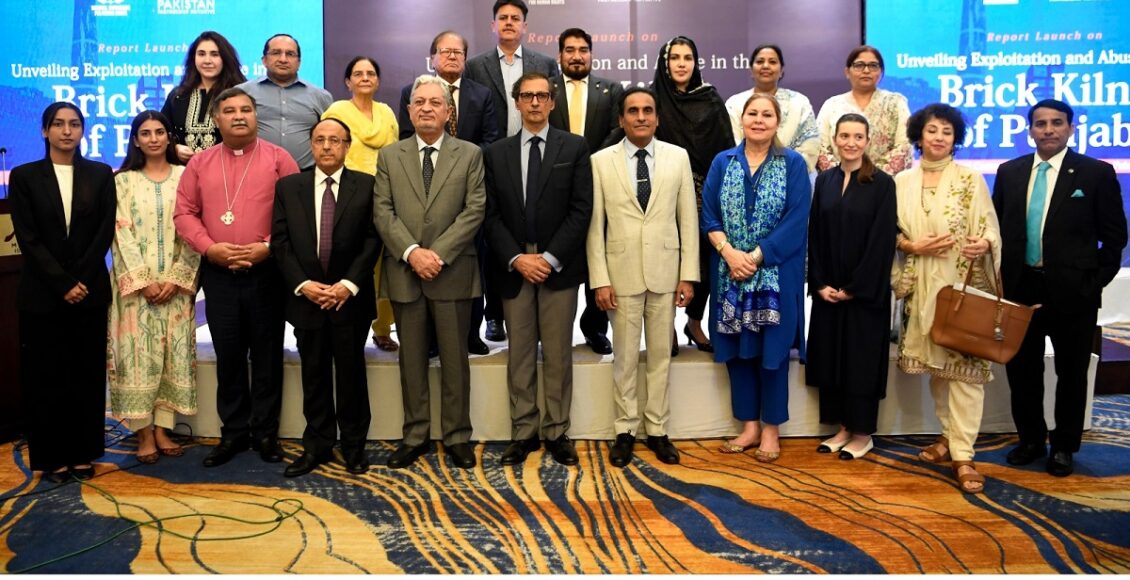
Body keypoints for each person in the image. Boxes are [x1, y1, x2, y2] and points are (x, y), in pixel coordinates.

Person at [994, 99, 1127, 477]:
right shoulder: (1010, 172)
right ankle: (1031, 440)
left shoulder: (1096, 173)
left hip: (1074, 293)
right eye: (1041, 124)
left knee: (1072, 373)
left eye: (1056, 123)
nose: (1048, 129)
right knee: (1023, 372)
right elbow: (999, 229)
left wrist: (1093, 282)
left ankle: (1065, 446)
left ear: (1070, 128)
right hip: (1021, 289)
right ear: (1030, 130)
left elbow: (1115, 237)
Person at [174, 87, 300, 467]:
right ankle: (232, 433)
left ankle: (265, 435)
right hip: (219, 274)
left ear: (256, 115)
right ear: (217, 119)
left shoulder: (279, 159)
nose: (239, 116)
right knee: (228, 357)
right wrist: (209, 247)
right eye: (230, 111)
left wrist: (267, 247)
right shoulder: (200, 163)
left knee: (267, 357)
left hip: (266, 273)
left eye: (246, 109)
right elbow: (184, 213)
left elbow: (296, 213)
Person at [373, 76, 486, 470]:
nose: (426, 108)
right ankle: (415, 434)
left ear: (448, 111)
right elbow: (382, 211)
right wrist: (412, 253)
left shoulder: (470, 154)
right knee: (412, 362)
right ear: (408, 110)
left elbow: (474, 209)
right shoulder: (390, 156)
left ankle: (457, 436)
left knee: (455, 362)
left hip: (451, 271)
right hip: (405, 273)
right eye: (419, 102)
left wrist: (435, 255)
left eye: (435, 102)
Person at [483, 72, 592, 466]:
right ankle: (524, 431)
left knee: (559, 352)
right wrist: (517, 258)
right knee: (520, 353)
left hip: (557, 266)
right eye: (527, 95)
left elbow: (582, 209)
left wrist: (549, 258)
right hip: (514, 265)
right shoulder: (495, 153)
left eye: (541, 96)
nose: (534, 102)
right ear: (516, 102)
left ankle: (557, 431)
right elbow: (489, 214)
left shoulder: (574, 147)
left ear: (552, 102)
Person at [587, 87, 699, 468]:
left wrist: (688, 276)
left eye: (647, 110)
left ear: (657, 118)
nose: (640, 117)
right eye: (632, 111)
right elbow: (595, 227)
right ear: (621, 119)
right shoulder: (601, 162)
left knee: (661, 358)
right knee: (624, 358)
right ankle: (625, 430)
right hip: (620, 277)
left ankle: (658, 430)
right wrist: (600, 279)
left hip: (666, 273)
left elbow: (688, 220)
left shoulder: (677, 157)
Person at [892, 103, 1000, 494]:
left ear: (956, 139)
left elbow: (990, 228)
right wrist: (911, 245)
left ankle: (964, 455)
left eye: (947, 132)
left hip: (961, 288)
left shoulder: (971, 179)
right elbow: (891, 233)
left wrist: (983, 244)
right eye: (932, 130)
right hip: (921, 287)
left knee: (965, 375)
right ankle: (948, 436)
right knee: (938, 371)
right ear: (919, 136)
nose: (939, 137)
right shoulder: (902, 181)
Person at [9, 102, 116, 483]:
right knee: (45, 379)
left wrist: (78, 280)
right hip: (42, 295)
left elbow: (104, 231)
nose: (66, 131)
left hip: (89, 292)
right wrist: (62, 282)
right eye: (58, 124)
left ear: (83, 131)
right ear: (45, 131)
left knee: (86, 376)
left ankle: (83, 453)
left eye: (74, 124)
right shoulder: (24, 176)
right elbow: (28, 238)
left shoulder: (101, 174)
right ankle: (52, 458)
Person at [702, 93, 811, 463]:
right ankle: (748, 426)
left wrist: (755, 256)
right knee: (737, 353)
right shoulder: (723, 162)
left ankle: (771, 430)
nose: (759, 120)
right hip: (729, 273)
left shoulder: (793, 163)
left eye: (767, 115)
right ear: (742, 119)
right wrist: (730, 253)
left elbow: (797, 219)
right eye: (753, 113)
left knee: (772, 353)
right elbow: (709, 215)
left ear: (777, 122)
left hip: (776, 275)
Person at [271, 118, 381, 477]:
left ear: (347, 146)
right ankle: (317, 445)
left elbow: (373, 239)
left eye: (335, 140)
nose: (327, 146)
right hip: (307, 299)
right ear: (311, 144)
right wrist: (303, 285)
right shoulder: (289, 187)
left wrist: (348, 284)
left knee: (351, 376)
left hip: (350, 299)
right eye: (320, 140)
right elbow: (281, 243)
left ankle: (353, 447)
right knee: (314, 376)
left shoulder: (367, 186)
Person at [398, 31, 501, 355]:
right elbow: (406, 138)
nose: (452, 56)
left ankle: (471, 333)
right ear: (432, 58)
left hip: (468, 188)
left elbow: (491, 139)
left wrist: (459, 165)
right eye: (445, 51)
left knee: (471, 264)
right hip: (425, 191)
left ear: (465, 59)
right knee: (427, 263)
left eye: (458, 52)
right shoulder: (412, 92)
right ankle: (431, 338)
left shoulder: (481, 94)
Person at [108, 111, 200, 464]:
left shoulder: (186, 176)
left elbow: (194, 228)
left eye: (160, 132)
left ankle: (163, 428)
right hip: (135, 289)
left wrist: (177, 278)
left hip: (176, 285)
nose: (153, 139)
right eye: (145, 133)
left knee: (171, 357)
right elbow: (120, 232)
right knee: (137, 357)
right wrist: (144, 281)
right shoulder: (122, 181)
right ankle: (143, 433)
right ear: (135, 140)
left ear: (169, 137)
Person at [805, 113, 897, 460]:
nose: (851, 143)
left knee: (860, 363)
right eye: (844, 136)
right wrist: (819, 283)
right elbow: (815, 234)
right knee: (833, 360)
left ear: (868, 141)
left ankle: (862, 433)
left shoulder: (882, 184)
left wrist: (855, 287)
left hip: (864, 295)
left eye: (858, 136)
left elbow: (882, 241)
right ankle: (842, 428)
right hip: (828, 292)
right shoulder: (825, 180)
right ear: (835, 139)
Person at [653, 36, 734, 356]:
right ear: (665, 63)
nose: (681, 63)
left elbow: (726, 149)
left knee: (705, 263)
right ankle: (668, 326)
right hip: (664, 193)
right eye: (675, 57)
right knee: (667, 261)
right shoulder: (653, 99)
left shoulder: (710, 99)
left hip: (705, 192)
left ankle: (695, 322)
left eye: (688, 57)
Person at [547, 27, 623, 355]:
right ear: (559, 55)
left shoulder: (611, 89)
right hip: (554, 185)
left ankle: (595, 328)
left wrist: (587, 161)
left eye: (583, 50)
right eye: (570, 50)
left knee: (598, 257)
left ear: (591, 54)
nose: (577, 56)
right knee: (559, 255)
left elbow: (617, 130)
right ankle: (554, 330)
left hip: (598, 181)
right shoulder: (545, 89)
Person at [322, 57, 400, 353]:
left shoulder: (386, 112)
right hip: (348, 199)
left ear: (378, 81)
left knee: (385, 266)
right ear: (348, 81)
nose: (365, 77)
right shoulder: (336, 111)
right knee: (350, 263)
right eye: (358, 73)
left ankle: (382, 329)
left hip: (386, 198)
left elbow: (396, 152)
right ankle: (343, 325)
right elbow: (329, 151)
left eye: (370, 73)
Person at [465, 0, 560, 139]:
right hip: (491, 147)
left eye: (515, 18)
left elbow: (554, 112)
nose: (509, 22)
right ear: (493, 25)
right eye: (503, 18)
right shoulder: (474, 66)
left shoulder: (546, 64)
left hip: (537, 145)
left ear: (524, 27)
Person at [236, 34, 333, 170]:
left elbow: (333, 136)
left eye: (290, 54)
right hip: (255, 172)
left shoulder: (320, 96)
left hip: (305, 175)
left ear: (299, 62)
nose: (283, 59)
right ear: (264, 60)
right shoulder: (242, 93)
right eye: (276, 53)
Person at [815, 45, 911, 176]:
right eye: (859, 65)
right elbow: (820, 148)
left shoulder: (895, 103)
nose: (866, 70)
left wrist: (872, 178)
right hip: (839, 182)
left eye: (873, 65)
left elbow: (904, 146)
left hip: (885, 182)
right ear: (847, 72)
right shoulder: (832, 105)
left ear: (881, 72)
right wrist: (844, 176)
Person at [724, 44, 819, 172]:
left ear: (781, 70)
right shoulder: (735, 103)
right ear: (751, 70)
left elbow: (810, 145)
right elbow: (731, 143)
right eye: (760, 61)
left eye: (772, 62)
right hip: (743, 174)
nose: (766, 66)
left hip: (791, 175)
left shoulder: (799, 102)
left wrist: (780, 172)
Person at [161, 31, 246, 163]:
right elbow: (162, 132)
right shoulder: (178, 96)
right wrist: (175, 148)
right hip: (185, 170)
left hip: (229, 168)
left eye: (214, 54)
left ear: (225, 58)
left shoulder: (240, 94)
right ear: (193, 58)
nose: (207, 61)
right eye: (201, 54)